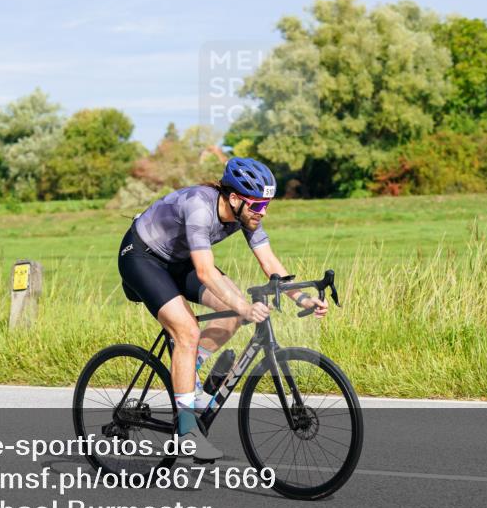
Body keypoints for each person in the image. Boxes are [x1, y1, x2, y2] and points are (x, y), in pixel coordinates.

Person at [117, 157, 329, 461]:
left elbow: (270, 263)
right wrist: (243, 305)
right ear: (234, 198)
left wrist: (302, 299)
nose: (263, 211)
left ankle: (193, 374)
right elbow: (204, 273)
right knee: (188, 330)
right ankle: (187, 430)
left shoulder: (246, 215)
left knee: (233, 314)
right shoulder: (199, 207)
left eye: (266, 204)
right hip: (142, 257)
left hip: (178, 261)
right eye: (257, 205)